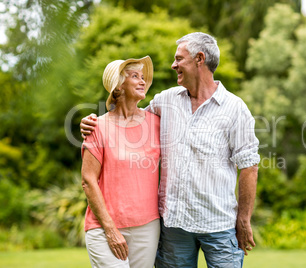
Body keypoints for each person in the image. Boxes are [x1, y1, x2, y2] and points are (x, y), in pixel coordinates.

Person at [81, 32, 259, 267]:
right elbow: (127, 115)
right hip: (175, 228)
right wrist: (92, 121)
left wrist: (244, 220)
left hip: (218, 225)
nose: (173, 65)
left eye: (179, 59)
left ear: (199, 59)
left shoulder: (235, 108)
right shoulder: (166, 101)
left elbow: (249, 165)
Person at [81, 56, 161, 268]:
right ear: (118, 87)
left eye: (143, 77)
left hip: (148, 227)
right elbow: (88, 180)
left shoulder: (156, 123)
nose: (143, 81)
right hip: (105, 227)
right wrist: (110, 229)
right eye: (135, 76)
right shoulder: (96, 127)